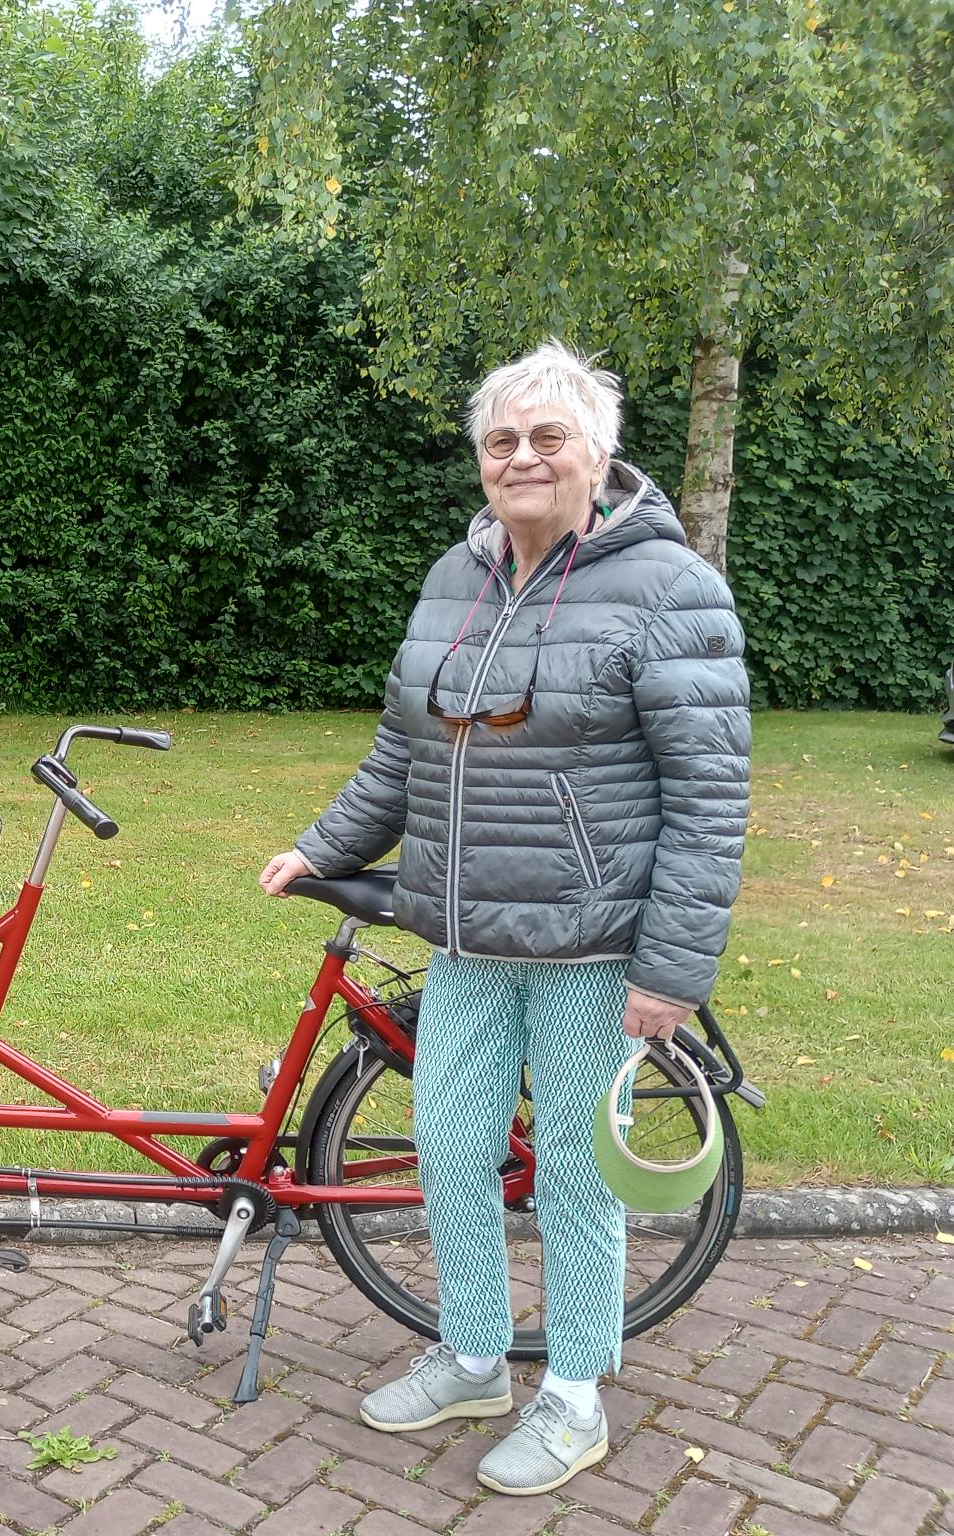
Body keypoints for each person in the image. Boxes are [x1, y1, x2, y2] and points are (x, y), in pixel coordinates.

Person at [259, 339, 750, 1497]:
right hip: (465, 938)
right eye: (500, 440)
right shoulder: (454, 578)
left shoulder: (673, 589)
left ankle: (575, 1394)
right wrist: (324, 846)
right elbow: (404, 752)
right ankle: (475, 1353)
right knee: (446, 1150)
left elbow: (711, 798)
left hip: (592, 947)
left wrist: (669, 973)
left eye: (547, 436)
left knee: (577, 1176)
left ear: (598, 454)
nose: (521, 457)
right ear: (481, 461)